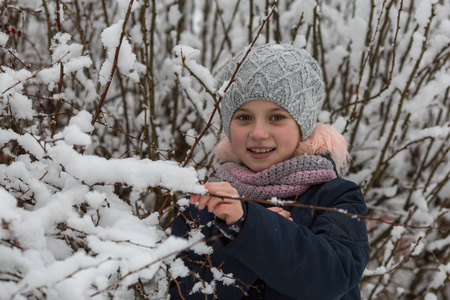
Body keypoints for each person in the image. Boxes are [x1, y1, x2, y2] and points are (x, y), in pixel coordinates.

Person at [169, 43, 370, 299]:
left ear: (303, 125)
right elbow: (186, 294)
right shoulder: (201, 205)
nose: (258, 133)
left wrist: (252, 228)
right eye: (244, 118)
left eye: (276, 117)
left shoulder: (337, 197)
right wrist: (239, 231)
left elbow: (332, 279)